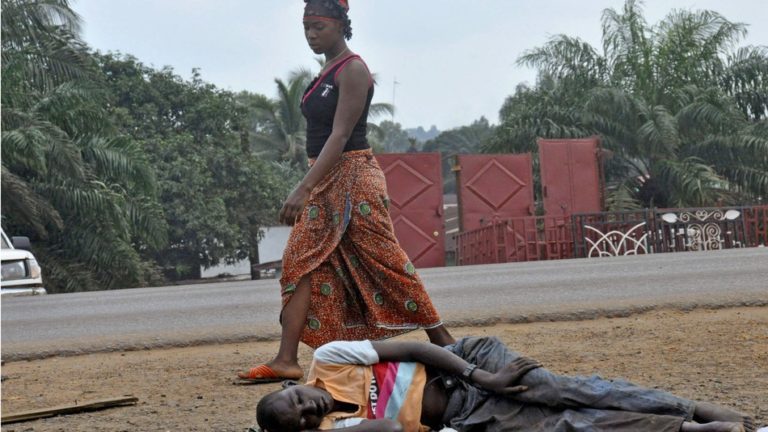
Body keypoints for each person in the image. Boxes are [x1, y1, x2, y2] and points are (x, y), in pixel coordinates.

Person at [238, 0, 453, 383]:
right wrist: (312, 182)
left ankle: (443, 340)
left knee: (383, 260)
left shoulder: (353, 69)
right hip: (326, 180)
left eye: (318, 26)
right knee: (303, 261)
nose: (311, 34)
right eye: (306, 27)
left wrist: (304, 188)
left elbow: (339, 135)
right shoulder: (325, 72)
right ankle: (287, 358)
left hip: (353, 177)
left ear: (340, 24)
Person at [255, 337, 755, 432]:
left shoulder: (327, 359)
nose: (309, 405)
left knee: (563, 391)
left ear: (296, 385)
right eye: (302, 417)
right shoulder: (334, 429)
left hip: (466, 364)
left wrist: (481, 375)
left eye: (297, 397)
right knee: (567, 427)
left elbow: (412, 348)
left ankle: (695, 408)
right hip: (462, 416)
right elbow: (386, 430)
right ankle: (687, 431)